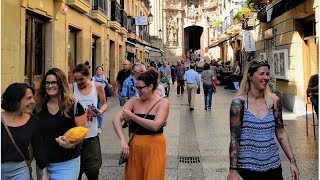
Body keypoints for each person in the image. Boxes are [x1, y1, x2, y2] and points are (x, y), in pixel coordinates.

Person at [227, 59, 299, 180]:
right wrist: (233, 171)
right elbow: (235, 138)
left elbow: (280, 132)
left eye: (267, 74)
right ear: (250, 76)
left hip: (273, 167)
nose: (266, 77)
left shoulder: (274, 101)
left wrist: (292, 162)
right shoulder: (238, 103)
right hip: (247, 168)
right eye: (261, 74)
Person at [112, 70, 169, 180]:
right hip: (135, 146)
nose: (138, 91)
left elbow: (155, 125)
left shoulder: (163, 103)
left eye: (140, 88)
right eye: (136, 88)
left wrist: (132, 116)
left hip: (154, 147)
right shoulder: (134, 101)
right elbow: (116, 119)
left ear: (150, 87)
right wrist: (123, 140)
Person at [35, 68, 87, 179]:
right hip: (43, 164)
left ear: (61, 84)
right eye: (47, 83)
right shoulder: (38, 107)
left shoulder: (74, 107)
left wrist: (71, 144)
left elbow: (82, 133)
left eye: (54, 82)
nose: (50, 86)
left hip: (67, 164)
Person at [1, 83, 48, 180]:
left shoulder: (32, 120)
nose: (33, 101)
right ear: (16, 100)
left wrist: (44, 173)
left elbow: (38, 148)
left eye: (33, 98)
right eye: (29, 98)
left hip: (19, 171)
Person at [72, 63, 108, 180]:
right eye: (76, 80)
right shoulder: (71, 88)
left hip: (91, 134)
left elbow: (104, 104)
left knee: (93, 170)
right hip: (76, 136)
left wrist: (99, 111)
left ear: (88, 76)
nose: (78, 83)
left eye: (81, 79)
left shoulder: (97, 86)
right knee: (76, 172)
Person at [92, 66, 113, 134]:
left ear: (102, 71)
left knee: (100, 112)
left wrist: (107, 83)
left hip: (102, 97)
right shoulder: (93, 78)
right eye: (97, 69)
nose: (98, 71)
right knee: (94, 111)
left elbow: (111, 87)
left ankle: (99, 127)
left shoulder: (105, 78)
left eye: (100, 70)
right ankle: (94, 125)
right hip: (94, 97)